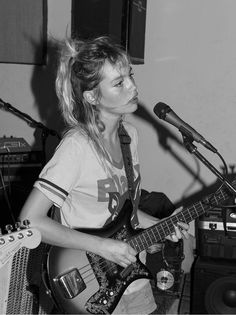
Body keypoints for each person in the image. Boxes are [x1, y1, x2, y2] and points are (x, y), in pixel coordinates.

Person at [19, 36, 189, 314]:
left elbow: (125, 211)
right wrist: (103, 246)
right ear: (92, 96)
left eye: (130, 76)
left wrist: (162, 224)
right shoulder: (77, 146)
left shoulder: (129, 137)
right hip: (88, 281)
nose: (133, 86)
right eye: (119, 82)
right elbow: (30, 220)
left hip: (132, 276)